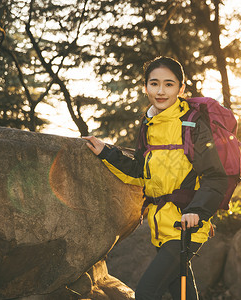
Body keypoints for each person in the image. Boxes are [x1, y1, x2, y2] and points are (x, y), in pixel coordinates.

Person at [83, 56, 227, 300]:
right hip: (161, 224)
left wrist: (197, 211)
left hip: (187, 224)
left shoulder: (192, 123)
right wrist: (106, 153)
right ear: (145, 86)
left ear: (181, 88)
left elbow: (216, 176)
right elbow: (141, 171)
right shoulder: (148, 124)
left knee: (147, 291)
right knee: (182, 291)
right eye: (154, 83)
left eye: (169, 84)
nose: (161, 91)